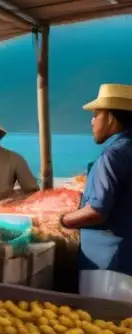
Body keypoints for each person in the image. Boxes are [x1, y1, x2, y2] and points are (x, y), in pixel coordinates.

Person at [60, 84, 132, 278]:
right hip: (126, 259)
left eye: (95, 114)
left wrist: (62, 220)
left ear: (109, 117)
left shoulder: (113, 155)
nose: (92, 122)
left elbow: (97, 211)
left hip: (108, 264)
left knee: (103, 309)